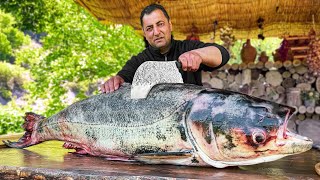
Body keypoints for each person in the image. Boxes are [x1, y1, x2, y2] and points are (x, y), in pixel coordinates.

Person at [100, 4, 230, 93]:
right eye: (149, 28)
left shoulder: (187, 47)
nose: (156, 32)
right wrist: (115, 81)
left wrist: (198, 55)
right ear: (145, 34)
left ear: (170, 25)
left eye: (160, 24)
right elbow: (121, 79)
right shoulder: (138, 61)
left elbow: (222, 54)